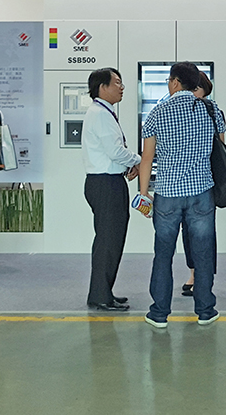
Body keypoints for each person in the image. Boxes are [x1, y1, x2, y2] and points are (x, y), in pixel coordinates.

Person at [139, 61, 223, 328]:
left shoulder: (157, 113)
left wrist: (144, 194)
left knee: (163, 254)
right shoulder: (211, 110)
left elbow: (147, 158)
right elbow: (220, 152)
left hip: (167, 194)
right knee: (203, 253)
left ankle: (159, 313)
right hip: (202, 192)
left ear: (175, 82)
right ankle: (206, 310)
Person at [81, 67, 140, 311]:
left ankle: (102, 292)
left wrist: (128, 164)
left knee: (109, 240)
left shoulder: (102, 112)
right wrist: (139, 161)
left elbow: (112, 153)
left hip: (106, 182)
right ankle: (101, 296)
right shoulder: (101, 114)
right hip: (106, 184)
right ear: (102, 87)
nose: (121, 87)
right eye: (117, 82)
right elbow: (115, 151)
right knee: (108, 241)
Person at [180, 71, 225, 297]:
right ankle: (193, 272)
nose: (191, 93)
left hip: (204, 181)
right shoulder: (180, 110)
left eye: (195, 89)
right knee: (187, 231)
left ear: (204, 90)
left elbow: (221, 147)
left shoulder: (212, 110)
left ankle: (203, 277)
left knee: (204, 232)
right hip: (182, 182)